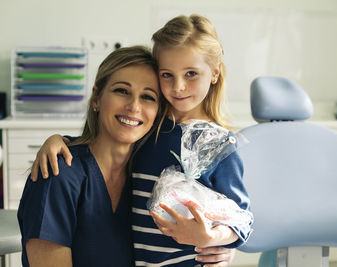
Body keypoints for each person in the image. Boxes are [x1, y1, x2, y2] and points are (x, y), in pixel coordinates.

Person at [30, 14, 253, 266]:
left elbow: (240, 219)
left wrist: (214, 238)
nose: (178, 87)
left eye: (191, 73)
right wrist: (57, 139)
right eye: (167, 75)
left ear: (214, 73)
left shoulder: (214, 145)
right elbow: (98, 147)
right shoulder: (150, 132)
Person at [18, 46, 162, 267]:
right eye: (122, 91)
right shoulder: (58, 174)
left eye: (147, 97)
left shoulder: (149, 180)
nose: (134, 106)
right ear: (96, 98)